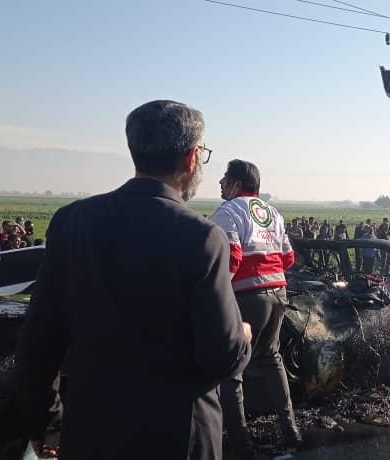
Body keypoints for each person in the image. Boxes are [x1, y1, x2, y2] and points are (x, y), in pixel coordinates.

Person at [16, 100, 251, 460]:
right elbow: (220, 356)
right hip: (177, 438)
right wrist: (244, 336)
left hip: (90, 433)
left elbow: (39, 340)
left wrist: (45, 421)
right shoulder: (202, 237)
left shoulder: (71, 222)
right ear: (191, 158)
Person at [212, 159, 300, 459]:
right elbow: (288, 258)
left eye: (225, 178)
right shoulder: (272, 212)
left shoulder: (228, 212)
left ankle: (241, 444)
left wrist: (216, 292)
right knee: (272, 357)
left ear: (237, 183)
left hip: (248, 296)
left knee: (232, 369)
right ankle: (291, 430)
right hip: (278, 294)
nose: (220, 183)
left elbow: (232, 258)